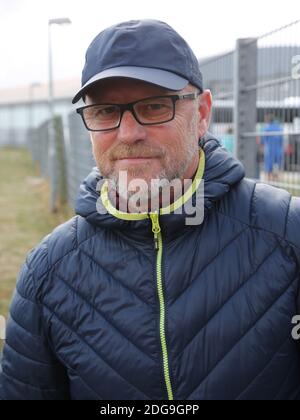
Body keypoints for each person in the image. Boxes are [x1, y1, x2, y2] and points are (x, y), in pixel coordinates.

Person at [0, 19, 300, 401]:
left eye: (155, 105)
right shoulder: (47, 272)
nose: (128, 133)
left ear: (202, 114)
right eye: (106, 111)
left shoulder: (288, 235)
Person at [261, 113, 284, 182]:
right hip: (278, 149)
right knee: (278, 164)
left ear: (268, 120)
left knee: (268, 165)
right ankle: (277, 179)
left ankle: (269, 179)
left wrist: (262, 148)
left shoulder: (267, 129)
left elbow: (263, 140)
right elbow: (282, 140)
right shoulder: (279, 128)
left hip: (270, 150)